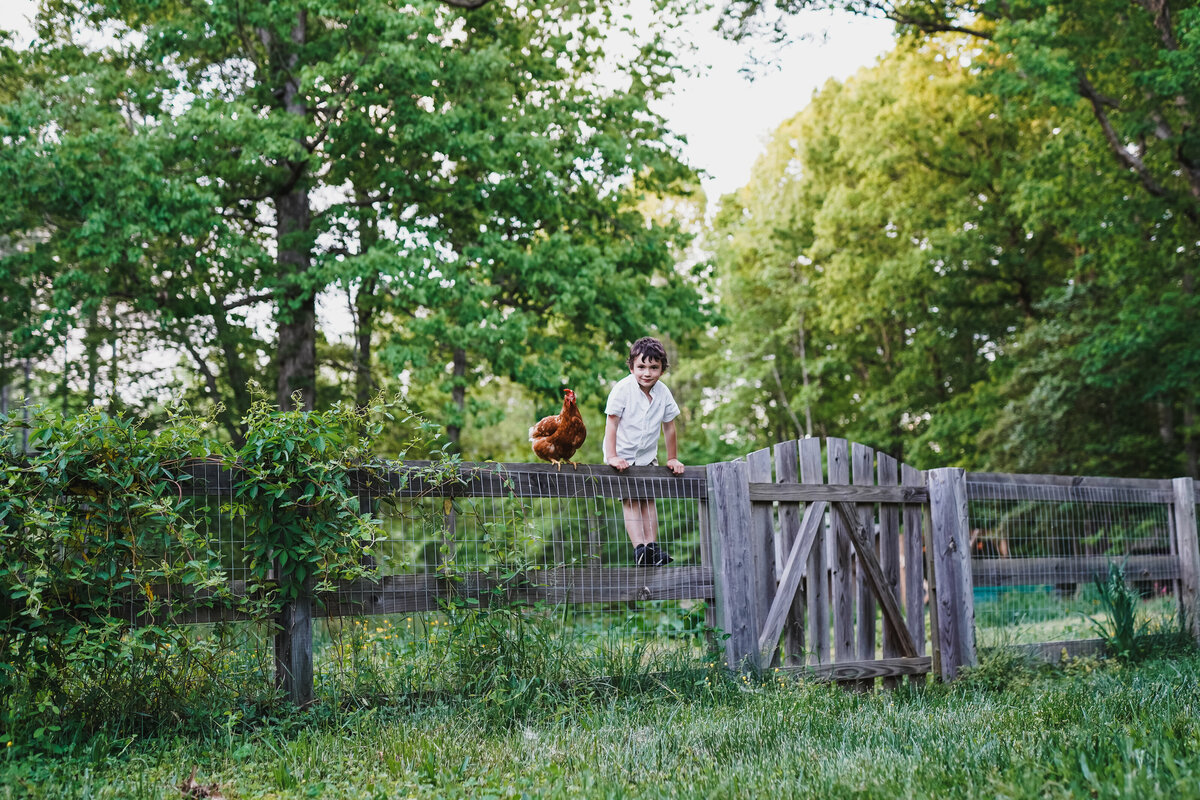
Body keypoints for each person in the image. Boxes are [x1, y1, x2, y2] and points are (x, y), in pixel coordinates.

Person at [602, 336, 684, 567]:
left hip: (647, 456)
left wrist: (672, 458)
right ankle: (639, 548)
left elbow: (669, 427)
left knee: (648, 500)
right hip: (622, 455)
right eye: (641, 367)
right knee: (631, 501)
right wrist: (612, 456)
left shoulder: (663, 393)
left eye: (653, 367)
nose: (647, 373)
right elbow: (612, 424)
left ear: (662, 369)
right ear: (631, 367)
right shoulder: (622, 389)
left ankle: (652, 547)